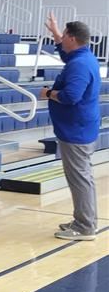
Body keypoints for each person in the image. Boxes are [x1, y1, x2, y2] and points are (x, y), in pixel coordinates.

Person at [41, 15, 101, 241]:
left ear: (73, 38)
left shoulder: (79, 65)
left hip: (76, 130)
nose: (61, 39)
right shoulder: (82, 56)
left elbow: (70, 96)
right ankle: (84, 219)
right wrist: (56, 32)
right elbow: (66, 53)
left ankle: (85, 226)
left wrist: (47, 93)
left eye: (64, 35)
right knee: (83, 177)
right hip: (80, 127)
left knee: (80, 179)